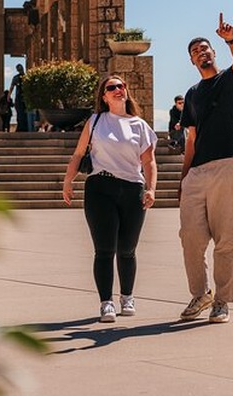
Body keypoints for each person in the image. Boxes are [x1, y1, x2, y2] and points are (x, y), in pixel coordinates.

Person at [62, 75, 157, 323]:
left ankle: (127, 297)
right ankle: (106, 303)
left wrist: (151, 188)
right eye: (111, 87)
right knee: (104, 249)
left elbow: (149, 162)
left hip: (132, 188)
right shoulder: (95, 121)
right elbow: (78, 153)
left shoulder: (140, 125)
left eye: (121, 86)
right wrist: (68, 181)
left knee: (127, 249)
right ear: (103, 96)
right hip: (100, 188)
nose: (117, 90)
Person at [177, 12, 233, 324]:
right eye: (196, 51)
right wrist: (184, 175)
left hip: (229, 166)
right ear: (192, 61)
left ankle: (221, 301)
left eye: (205, 49)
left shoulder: (230, 79)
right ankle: (199, 294)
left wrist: (230, 39)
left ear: (213, 53)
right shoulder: (192, 94)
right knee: (190, 236)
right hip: (197, 173)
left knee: (226, 240)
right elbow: (191, 137)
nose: (202, 53)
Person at [10, 63, 28, 132]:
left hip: (20, 97)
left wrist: (8, 96)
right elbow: (12, 87)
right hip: (23, 97)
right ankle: (23, 127)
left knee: (20, 113)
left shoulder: (16, 77)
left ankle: (22, 127)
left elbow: (11, 87)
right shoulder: (25, 77)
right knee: (22, 113)